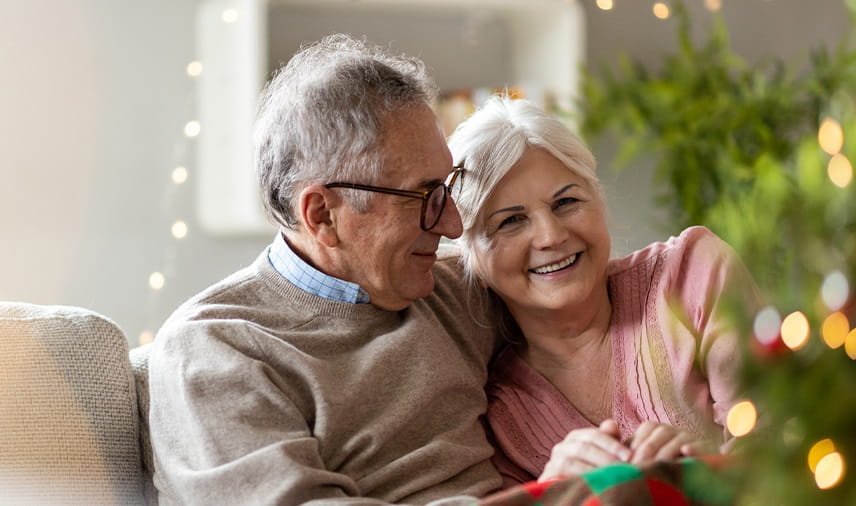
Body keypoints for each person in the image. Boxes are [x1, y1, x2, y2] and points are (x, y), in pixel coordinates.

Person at [148, 34, 503, 505]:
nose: (454, 225)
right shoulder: (218, 346)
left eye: (448, 186)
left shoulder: (456, 290)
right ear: (322, 215)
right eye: (424, 196)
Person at [447, 96, 760, 487]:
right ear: (470, 255)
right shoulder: (494, 416)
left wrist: (702, 470)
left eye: (566, 202)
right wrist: (553, 492)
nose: (551, 235)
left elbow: (791, 447)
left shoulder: (691, 275)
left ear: (599, 199)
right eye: (511, 221)